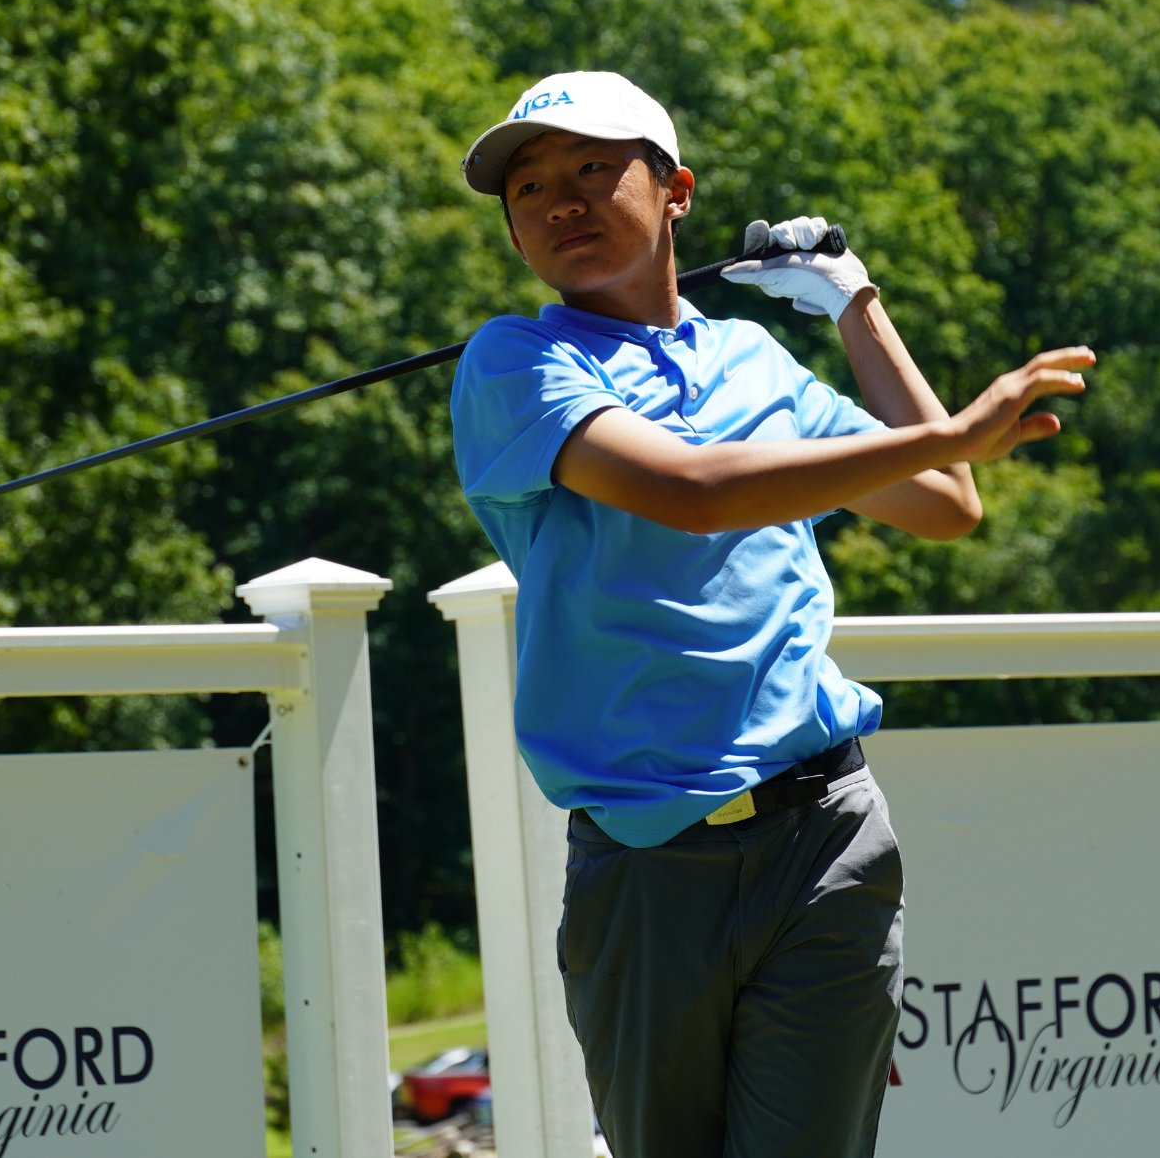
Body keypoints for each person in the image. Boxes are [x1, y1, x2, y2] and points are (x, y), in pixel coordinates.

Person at [448, 71, 1094, 1158]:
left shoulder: (751, 360)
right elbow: (694, 492)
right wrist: (954, 430)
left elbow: (943, 507)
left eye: (592, 170)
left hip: (826, 839)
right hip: (649, 865)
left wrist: (855, 304)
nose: (558, 199)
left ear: (675, 192)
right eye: (526, 187)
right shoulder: (514, 363)